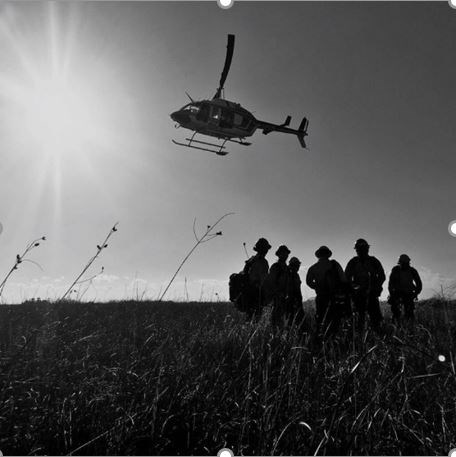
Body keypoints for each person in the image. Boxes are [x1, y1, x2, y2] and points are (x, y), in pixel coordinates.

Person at [345, 239, 386, 331]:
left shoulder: (373, 261)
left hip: (371, 293)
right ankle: (361, 336)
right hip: (358, 294)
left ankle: (376, 334)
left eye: (363, 248)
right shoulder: (353, 262)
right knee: (359, 317)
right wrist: (354, 288)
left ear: (367, 249)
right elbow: (347, 278)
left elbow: (382, 276)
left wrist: (375, 287)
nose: (361, 251)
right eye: (359, 249)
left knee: (375, 317)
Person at [306, 246, 347, 336]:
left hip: (320, 297)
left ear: (318, 255)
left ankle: (320, 338)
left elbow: (308, 282)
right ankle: (333, 338)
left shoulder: (313, 267)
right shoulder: (335, 264)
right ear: (328, 254)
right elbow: (343, 279)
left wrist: (317, 287)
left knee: (320, 318)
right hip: (334, 297)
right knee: (334, 319)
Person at [242, 237, 272, 320]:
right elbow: (264, 280)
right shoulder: (262, 261)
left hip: (249, 292)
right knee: (255, 318)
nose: (266, 251)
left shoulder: (251, 260)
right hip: (256, 294)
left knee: (250, 318)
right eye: (265, 249)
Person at [388, 254, 422, 324]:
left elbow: (419, 285)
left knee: (409, 314)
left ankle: (409, 327)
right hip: (397, 293)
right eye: (402, 263)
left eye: (405, 263)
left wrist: (415, 294)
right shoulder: (395, 270)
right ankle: (396, 326)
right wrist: (392, 294)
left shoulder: (412, 271)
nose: (404, 265)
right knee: (396, 313)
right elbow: (390, 284)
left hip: (408, 294)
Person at [268, 245, 291, 328]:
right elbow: (270, 283)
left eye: (286, 253)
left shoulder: (287, 268)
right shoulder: (275, 267)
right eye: (283, 253)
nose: (286, 255)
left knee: (284, 320)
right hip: (277, 298)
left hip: (285, 297)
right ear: (279, 254)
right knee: (276, 320)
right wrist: (277, 293)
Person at [285, 256, 305, 328]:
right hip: (289, 301)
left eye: (298, 265)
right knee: (290, 319)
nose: (298, 267)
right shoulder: (288, 274)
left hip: (296, 300)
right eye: (296, 265)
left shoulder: (296, 275)